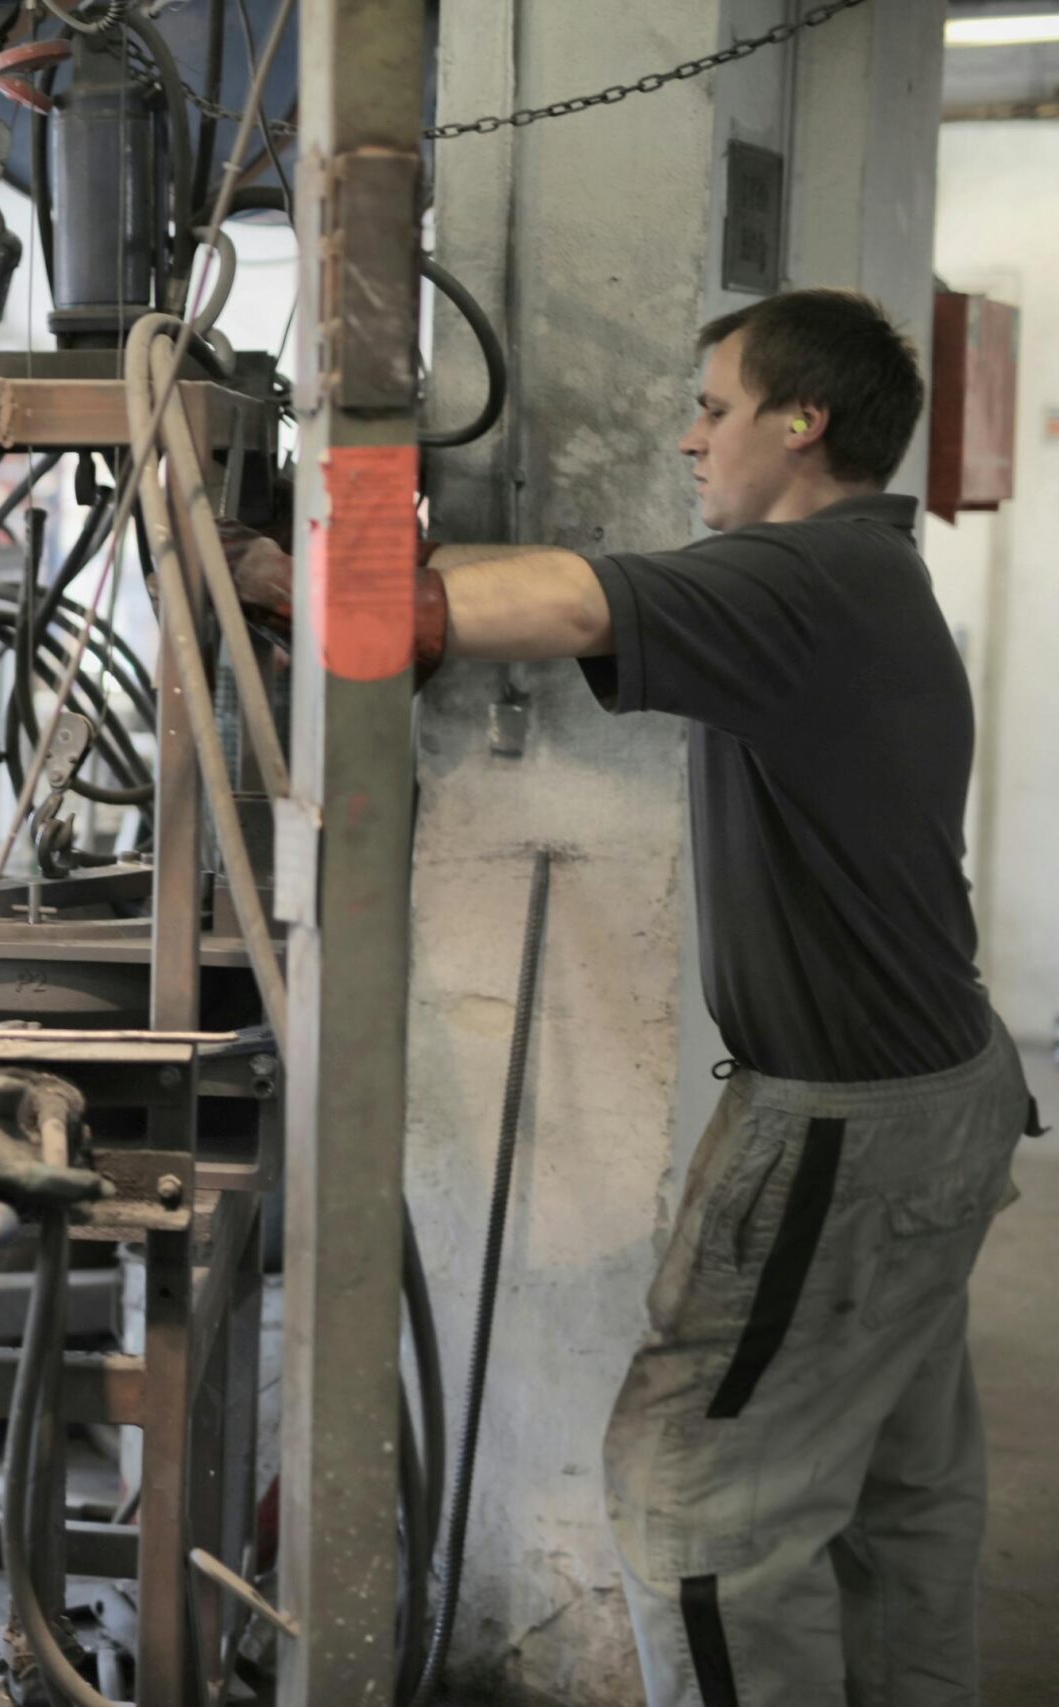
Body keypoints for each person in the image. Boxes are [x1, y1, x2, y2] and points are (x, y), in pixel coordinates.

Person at [229, 287, 1040, 1706]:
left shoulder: (804, 579)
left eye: (715, 408)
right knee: (899, 1498)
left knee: (699, 1518)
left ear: (805, 423)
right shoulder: (864, 581)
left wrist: (306, 577)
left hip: (846, 1131)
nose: (688, 439)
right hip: (940, 1099)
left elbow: (568, 595)